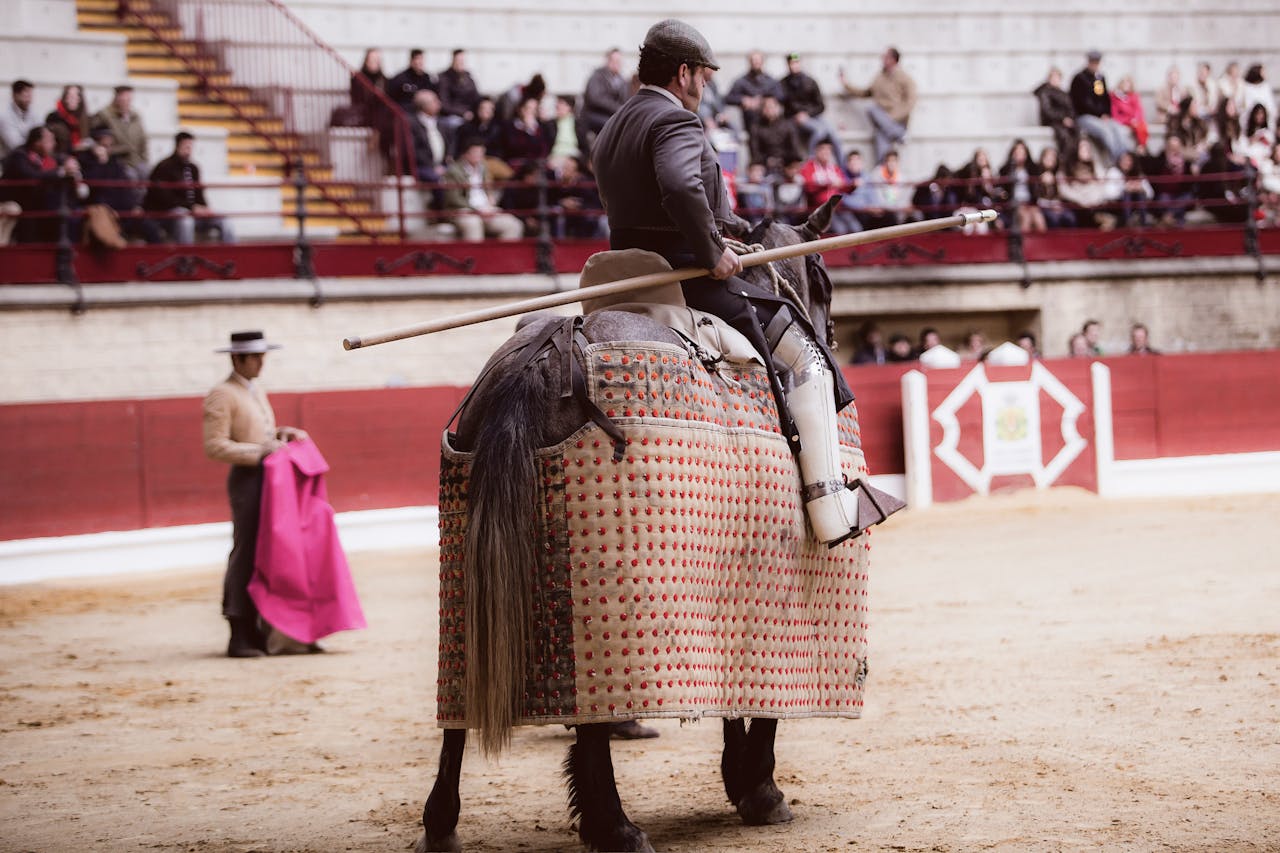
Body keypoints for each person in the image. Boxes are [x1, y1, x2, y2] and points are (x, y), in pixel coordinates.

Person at [592, 18, 888, 546]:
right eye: (703, 78)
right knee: (808, 357)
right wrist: (713, 252)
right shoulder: (674, 120)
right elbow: (681, 187)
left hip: (625, 276)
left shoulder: (613, 126)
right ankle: (831, 508)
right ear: (683, 74)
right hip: (687, 277)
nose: (704, 89)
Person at [202, 330, 309, 657]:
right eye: (256, 357)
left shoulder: (252, 390)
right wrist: (260, 451)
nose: (262, 362)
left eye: (263, 356)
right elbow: (215, 446)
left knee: (266, 552)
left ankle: (260, 629)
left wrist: (281, 434)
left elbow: (257, 433)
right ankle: (239, 631)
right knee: (246, 552)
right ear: (238, 359)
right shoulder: (222, 394)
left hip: (268, 478)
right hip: (247, 480)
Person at [143, 132, 234, 244]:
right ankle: (186, 259)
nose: (189, 149)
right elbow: (164, 198)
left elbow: (199, 192)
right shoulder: (164, 167)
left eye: (191, 146)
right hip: (170, 214)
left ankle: (232, 258)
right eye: (186, 146)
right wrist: (191, 207)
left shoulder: (193, 168)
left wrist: (205, 208)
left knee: (225, 220)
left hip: (192, 211)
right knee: (186, 220)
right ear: (177, 146)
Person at [78, 126, 163, 245]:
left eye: (109, 144)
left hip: (122, 211)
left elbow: (125, 187)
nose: (107, 148)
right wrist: (101, 162)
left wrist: (133, 206)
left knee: (151, 228)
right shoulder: (86, 161)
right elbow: (93, 187)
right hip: (103, 211)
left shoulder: (115, 163)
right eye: (104, 144)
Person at [0, 125, 81, 243]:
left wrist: (70, 164)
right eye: (50, 140)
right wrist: (62, 171)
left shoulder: (49, 157)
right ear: (37, 143)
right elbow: (31, 175)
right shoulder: (19, 156)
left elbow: (60, 162)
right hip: (18, 202)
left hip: (36, 203)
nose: (54, 144)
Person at [838, 47, 918, 167]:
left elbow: (910, 101)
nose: (882, 59)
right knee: (882, 153)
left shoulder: (905, 78)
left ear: (893, 59)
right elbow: (866, 92)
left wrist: (892, 117)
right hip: (883, 123)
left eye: (885, 57)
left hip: (896, 121)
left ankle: (897, 132)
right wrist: (846, 85)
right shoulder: (879, 77)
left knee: (873, 112)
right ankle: (899, 135)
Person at [441, 138, 524, 241]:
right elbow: (454, 199)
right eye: (475, 152)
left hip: (486, 209)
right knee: (473, 224)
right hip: (463, 210)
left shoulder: (483, 167)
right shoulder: (453, 171)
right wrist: (477, 210)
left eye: (481, 153)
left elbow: (488, 188)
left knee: (513, 225)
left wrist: (490, 202)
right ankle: (474, 257)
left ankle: (502, 256)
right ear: (465, 154)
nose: (479, 156)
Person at [780, 52, 842, 162]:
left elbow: (821, 105)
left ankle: (842, 166)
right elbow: (786, 103)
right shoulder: (783, 83)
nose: (794, 65)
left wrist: (807, 113)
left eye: (796, 62)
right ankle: (811, 160)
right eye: (792, 63)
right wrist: (798, 114)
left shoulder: (810, 81)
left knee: (833, 134)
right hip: (793, 118)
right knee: (820, 130)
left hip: (812, 116)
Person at [1069, 50, 1129, 163]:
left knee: (1119, 129)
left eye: (1097, 62)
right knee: (1105, 131)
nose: (1095, 65)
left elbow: (1105, 98)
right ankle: (1118, 161)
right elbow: (1081, 103)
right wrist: (1098, 114)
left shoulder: (1100, 78)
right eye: (1093, 62)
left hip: (1101, 117)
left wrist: (1106, 114)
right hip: (1085, 117)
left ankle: (1126, 158)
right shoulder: (1079, 78)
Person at [90, 86, 149, 194]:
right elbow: (95, 136)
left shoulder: (136, 116)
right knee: (131, 178)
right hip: (119, 161)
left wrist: (144, 160)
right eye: (124, 99)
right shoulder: (104, 115)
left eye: (129, 99)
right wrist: (109, 150)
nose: (127, 102)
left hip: (136, 160)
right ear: (117, 98)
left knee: (146, 174)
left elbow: (143, 140)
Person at [725, 50, 784, 137]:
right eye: (753, 61)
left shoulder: (770, 81)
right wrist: (743, 100)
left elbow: (781, 96)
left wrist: (764, 101)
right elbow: (729, 98)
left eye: (758, 61)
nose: (756, 63)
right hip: (751, 121)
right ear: (749, 62)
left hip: (769, 119)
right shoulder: (742, 81)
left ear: (762, 62)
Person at [580, 48, 629, 146]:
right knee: (613, 125)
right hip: (594, 115)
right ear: (608, 61)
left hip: (612, 115)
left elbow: (626, 100)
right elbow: (594, 98)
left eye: (619, 61)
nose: (616, 64)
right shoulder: (597, 76)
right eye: (614, 61)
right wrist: (617, 108)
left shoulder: (622, 81)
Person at [749, 95, 804, 174]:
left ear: (778, 108)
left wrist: (783, 161)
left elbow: (794, 149)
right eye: (766, 107)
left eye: (772, 107)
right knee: (756, 170)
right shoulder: (756, 127)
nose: (769, 110)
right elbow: (755, 151)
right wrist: (767, 160)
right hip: (765, 164)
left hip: (786, 164)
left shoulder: (788, 125)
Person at [1033, 67, 1077, 155]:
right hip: (1052, 121)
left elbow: (1071, 108)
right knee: (1064, 136)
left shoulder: (1063, 93)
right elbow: (1047, 111)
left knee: (1077, 132)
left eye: (1057, 77)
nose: (1055, 80)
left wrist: (1070, 118)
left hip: (1065, 121)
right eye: (1053, 77)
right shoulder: (1044, 92)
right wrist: (1062, 119)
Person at [437, 49, 481, 134]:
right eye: (458, 60)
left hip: (469, 113)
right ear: (453, 60)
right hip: (451, 115)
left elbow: (476, 97)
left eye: (462, 61)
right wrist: (463, 113)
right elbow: (444, 104)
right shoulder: (444, 78)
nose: (460, 63)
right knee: (456, 124)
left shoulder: (468, 77)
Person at [0, 80, 40, 161]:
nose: (29, 100)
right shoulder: (4, 116)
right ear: (15, 95)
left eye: (30, 96)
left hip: (32, 157)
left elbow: (41, 134)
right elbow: (15, 145)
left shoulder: (33, 113)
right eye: (26, 95)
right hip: (12, 161)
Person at [45, 84, 90, 157]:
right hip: (61, 157)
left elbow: (88, 138)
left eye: (77, 96)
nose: (73, 99)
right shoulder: (54, 117)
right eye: (70, 96)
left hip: (81, 156)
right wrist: (74, 148)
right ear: (64, 98)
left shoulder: (85, 119)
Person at [1110, 75, 1149, 150]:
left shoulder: (1134, 96)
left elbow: (1139, 110)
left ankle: (1142, 146)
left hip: (1134, 121)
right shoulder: (1114, 97)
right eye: (1124, 83)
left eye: (1128, 83)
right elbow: (1115, 114)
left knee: (1142, 127)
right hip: (1123, 121)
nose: (1126, 85)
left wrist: (1135, 120)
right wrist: (1127, 120)